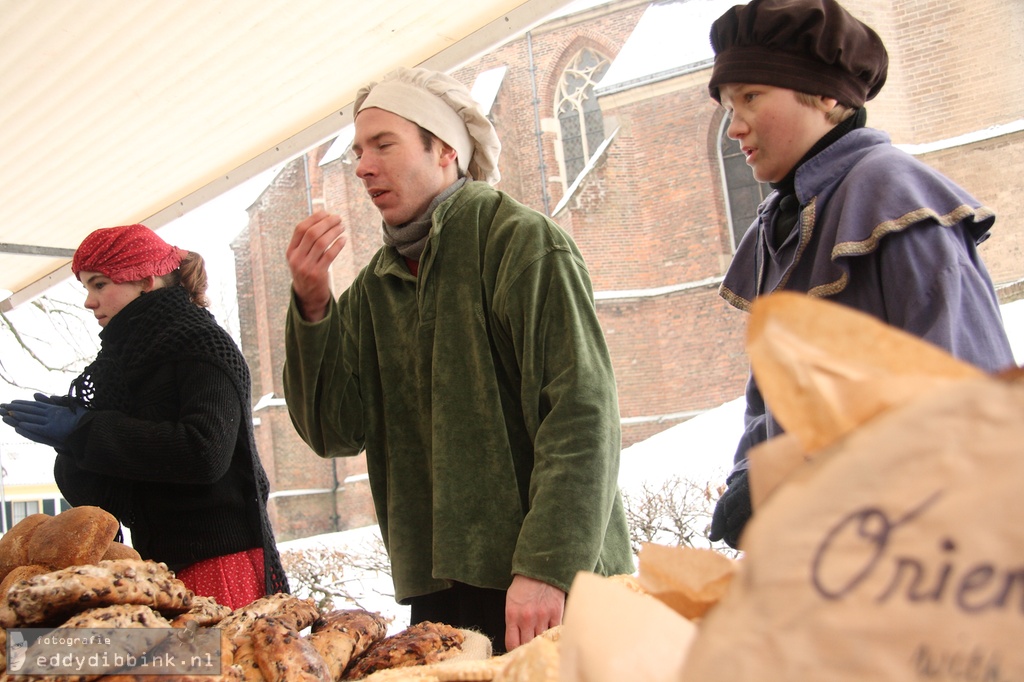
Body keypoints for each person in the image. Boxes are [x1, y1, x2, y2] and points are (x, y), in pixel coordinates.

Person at [283, 66, 633, 652]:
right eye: (359, 150)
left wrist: (547, 566)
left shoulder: (521, 242)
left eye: (383, 144)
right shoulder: (374, 287)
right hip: (441, 592)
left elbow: (581, 415)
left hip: (554, 585)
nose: (363, 165)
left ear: (445, 149)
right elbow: (333, 431)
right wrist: (313, 305)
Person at [705, 0, 1016, 550]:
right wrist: (750, 476)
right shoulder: (786, 222)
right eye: (730, 106)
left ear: (827, 97)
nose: (735, 127)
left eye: (750, 97)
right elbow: (771, 398)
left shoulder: (896, 197)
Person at [0, 224, 289, 609]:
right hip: (159, 565)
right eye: (86, 287)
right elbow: (113, 498)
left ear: (147, 281)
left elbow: (203, 452)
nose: (89, 301)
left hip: (218, 564)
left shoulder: (202, 344)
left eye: (99, 284)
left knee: (217, 666)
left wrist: (87, 431)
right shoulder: (122, 363)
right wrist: (73, 444)